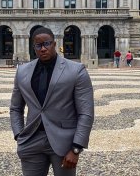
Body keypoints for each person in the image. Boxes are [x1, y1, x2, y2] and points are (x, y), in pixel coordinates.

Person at [10, 26, 94, 176]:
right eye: (38, 45)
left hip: (64, 143)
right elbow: (15, 108)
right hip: (31, 140)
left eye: (47, 44)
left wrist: (76, 147)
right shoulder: (22, 72)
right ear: (33, 47)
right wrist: (19, 134)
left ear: (54, 44)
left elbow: (86, 113)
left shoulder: (76, 70)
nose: (43, 48)